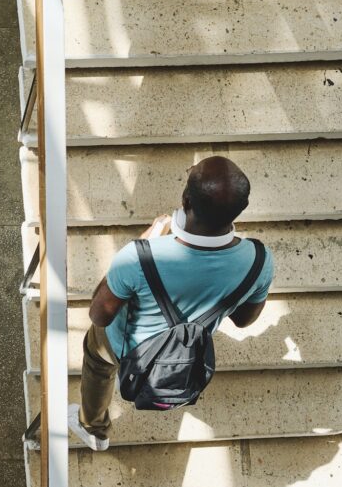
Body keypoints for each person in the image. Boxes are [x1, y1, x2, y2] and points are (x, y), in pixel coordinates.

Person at [70, 156, 275, 450]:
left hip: (125, 348)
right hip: (187, 354)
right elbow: (243, 320)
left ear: (186, 201)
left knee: (97, 359)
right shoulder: (259, 261)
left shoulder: (140, 256)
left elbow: (99, 315)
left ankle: (94, 427)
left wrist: (145, 241)